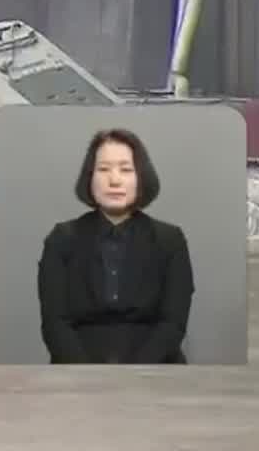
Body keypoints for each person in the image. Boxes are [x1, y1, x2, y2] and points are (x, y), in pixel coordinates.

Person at [37, 128, 194, 364]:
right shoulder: (61, 239)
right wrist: (91, 378)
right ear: (89, 177)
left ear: (141, 177)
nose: (114, 179)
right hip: (76, 373)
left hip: (156, 372)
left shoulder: (169, 240)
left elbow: (173, 324)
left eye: (126, 169)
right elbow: (54, 325)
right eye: (103, 169)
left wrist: (133, 376)